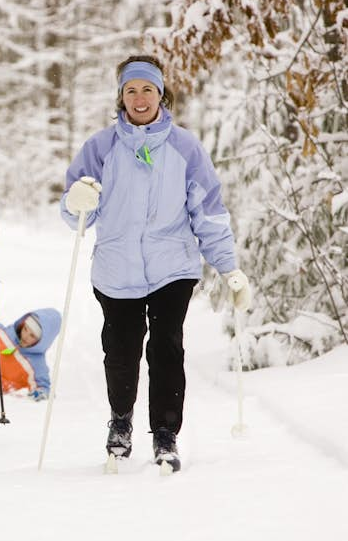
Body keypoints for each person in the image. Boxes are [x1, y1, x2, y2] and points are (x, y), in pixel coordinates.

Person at [60, 55, 251, 472]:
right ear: (121, 97)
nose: (140, 97)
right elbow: (76, 211)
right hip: (116, 268)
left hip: (173, 266)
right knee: (120, 351)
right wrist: (76, 202)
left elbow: (209, 212)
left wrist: (228, 267)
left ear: (161, 94)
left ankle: (165, 434)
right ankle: (121, 422)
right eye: (132, 90)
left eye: (148, 89)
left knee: (167, 349)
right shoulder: (100, 147)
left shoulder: (185, 147)